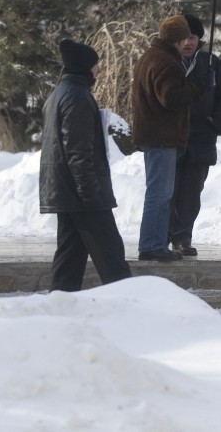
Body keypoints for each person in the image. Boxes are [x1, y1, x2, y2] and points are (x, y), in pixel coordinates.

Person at [39, 39, 132, 291]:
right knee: (111, 256)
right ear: (84, 67)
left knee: (69, 257)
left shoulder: (60, 94)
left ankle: (60, 303)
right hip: (82, 193)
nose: (99, 70)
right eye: (95, 65)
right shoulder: (77, 97)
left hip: (66, 191)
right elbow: (78, 151)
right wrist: (90, 193)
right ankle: (130, 306)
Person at [132, 15, 207, 262]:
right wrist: (195, 88)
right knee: (160, 194)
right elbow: (170, 98)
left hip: (153, 135)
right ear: (178, 38)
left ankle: (152, 243)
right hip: (162, 136)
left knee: (158, 193)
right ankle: (152, 245)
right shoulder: (167, 62)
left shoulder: (150, 56)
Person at [166, 14, 221, 257]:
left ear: (198, 40)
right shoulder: (166, 61)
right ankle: (163, 235)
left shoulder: (211, 63)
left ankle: (183, 237)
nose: (187, 43)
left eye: (192, 37)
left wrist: (217, 122)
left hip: (201, 137)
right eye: (183, 38)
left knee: (191, 192)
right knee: (167, 190)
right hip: (172, 136)